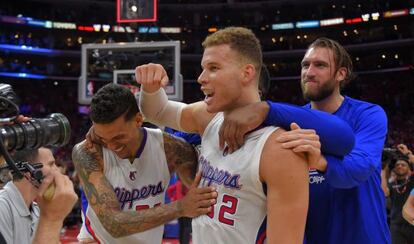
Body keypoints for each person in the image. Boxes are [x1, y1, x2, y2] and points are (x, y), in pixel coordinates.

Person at [137, 27, 357, 243]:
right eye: (203, 68)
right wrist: (150, 87)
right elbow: (158, 111)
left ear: (247, 73)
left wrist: (265, 109)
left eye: (213, 68)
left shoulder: (280, 149)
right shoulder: (208, 117)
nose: (201, 78)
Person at [217, 37, 391, 243]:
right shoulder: (291, 120)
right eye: (305, 65)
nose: (309, 72)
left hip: (363, 237)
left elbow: (361, 167)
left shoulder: (368, 114)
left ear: (341, 74)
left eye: (320, 65)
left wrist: (321, 162)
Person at [72, 83, 217, 243]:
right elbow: (113, 224)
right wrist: (181, 207)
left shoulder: (170, 148)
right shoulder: (88, 152)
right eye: (103, 138)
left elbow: (199, 183)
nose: (112, 146)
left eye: (118, 137)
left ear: (139, 119)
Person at [0, 147, 78, 244]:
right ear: (29, 173)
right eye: (51, 164)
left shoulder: (37, 210)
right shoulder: (2, 209)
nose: (58, 170)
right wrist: (52, 220)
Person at [382, 155, 414, 243]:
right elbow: (384, 192)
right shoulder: (392, 184)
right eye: (397, 165)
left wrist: (408, 153)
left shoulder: (412, 180)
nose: (399, 166)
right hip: (396, 224)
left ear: (409, 168)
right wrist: (383, 169)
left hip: (412, 222)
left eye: (403, 165)